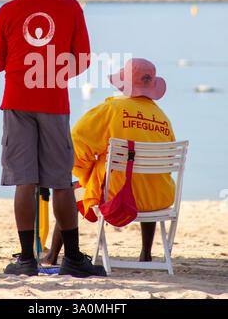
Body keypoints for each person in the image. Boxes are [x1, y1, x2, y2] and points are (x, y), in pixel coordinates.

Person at [0, 0, 106, 277]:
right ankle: (72, 258)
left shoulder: (8, 11)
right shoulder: (71, 8)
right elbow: (82, 59)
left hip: (17, 101)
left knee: (24, 180)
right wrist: (52, 75)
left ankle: (26, 260)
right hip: (54, 101)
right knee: (60, 180)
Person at [42, 58, 176, 266]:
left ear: (124, 84)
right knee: (144, 179)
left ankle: (52, 256)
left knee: (68, 191)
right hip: (157, 199)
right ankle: (146, 254)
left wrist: (86, 173)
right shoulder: (162, 118)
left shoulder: (111, 109)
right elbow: (166, 160)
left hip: (116, 197)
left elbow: (74, 146)